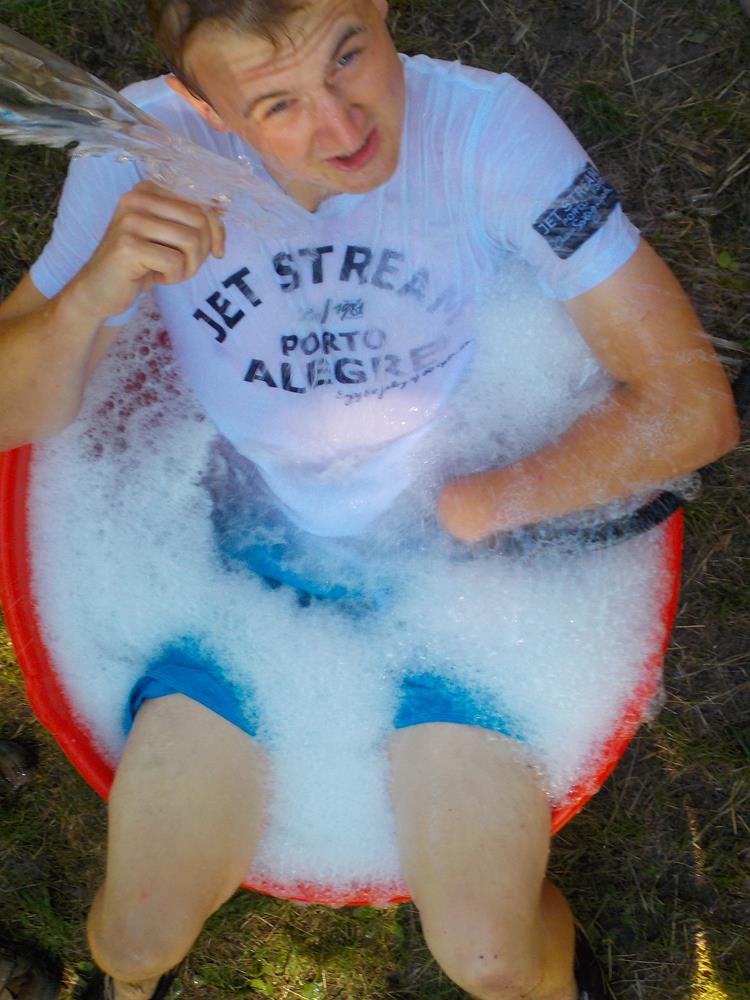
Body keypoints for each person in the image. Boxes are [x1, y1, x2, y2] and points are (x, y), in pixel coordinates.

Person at [0, 1, 739, 998]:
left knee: (489, 958)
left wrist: (485, 503)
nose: (343, 127)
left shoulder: (487, 132)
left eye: (349, 55)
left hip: (458, 586)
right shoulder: (143, 154)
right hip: (230, 571)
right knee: (132, 941)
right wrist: (94, 294)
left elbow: (691, 406)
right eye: (276, 104)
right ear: (200, 101)